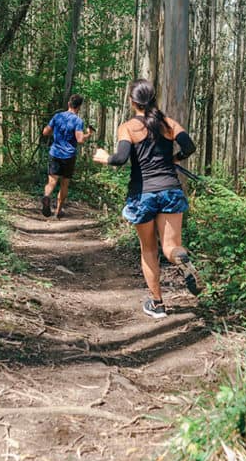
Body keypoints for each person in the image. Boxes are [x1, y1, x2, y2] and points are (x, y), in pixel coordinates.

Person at [92, 79, 202, 319]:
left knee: (149, 250)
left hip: (143, 194)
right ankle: (181, 259)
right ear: (153, 99)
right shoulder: (168, 123)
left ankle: (157, 304)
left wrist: (103, 158)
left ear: (133, 102)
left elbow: (120, 159)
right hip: (171, 190)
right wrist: (176, 158)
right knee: (171, 246)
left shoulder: (128, 127)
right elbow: (190, 146)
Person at [42, 94, 91, 218]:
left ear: (69, 104)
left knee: (51, 181)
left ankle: (47, 197)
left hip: (55, 153)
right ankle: (58, 211)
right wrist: (88, 135)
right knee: (64, 183)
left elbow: (45, 132)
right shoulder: (78, 121)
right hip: (69, 156)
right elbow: (79, 139)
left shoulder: (57, 116)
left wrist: (56, 130)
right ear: (79, 107)